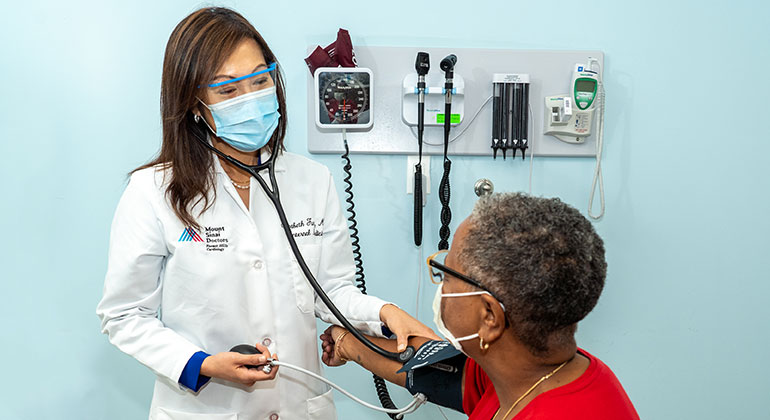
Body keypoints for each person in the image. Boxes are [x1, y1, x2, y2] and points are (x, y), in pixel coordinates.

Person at [96, 7, 435, 420]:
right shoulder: (153, 191)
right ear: (194, 104)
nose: (251, 99)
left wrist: (384, 313)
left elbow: (331, 291)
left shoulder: (313, 180)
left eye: (260, 80)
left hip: (298, 406)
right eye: (228, 90)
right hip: (207, 407)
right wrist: (200, 364)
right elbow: (125, 316)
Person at [321, 193, 640, 420]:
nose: (440, 285)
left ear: (489, 316)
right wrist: (347, 344)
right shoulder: (533, 368)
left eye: (447, 274)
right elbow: (437, 373)